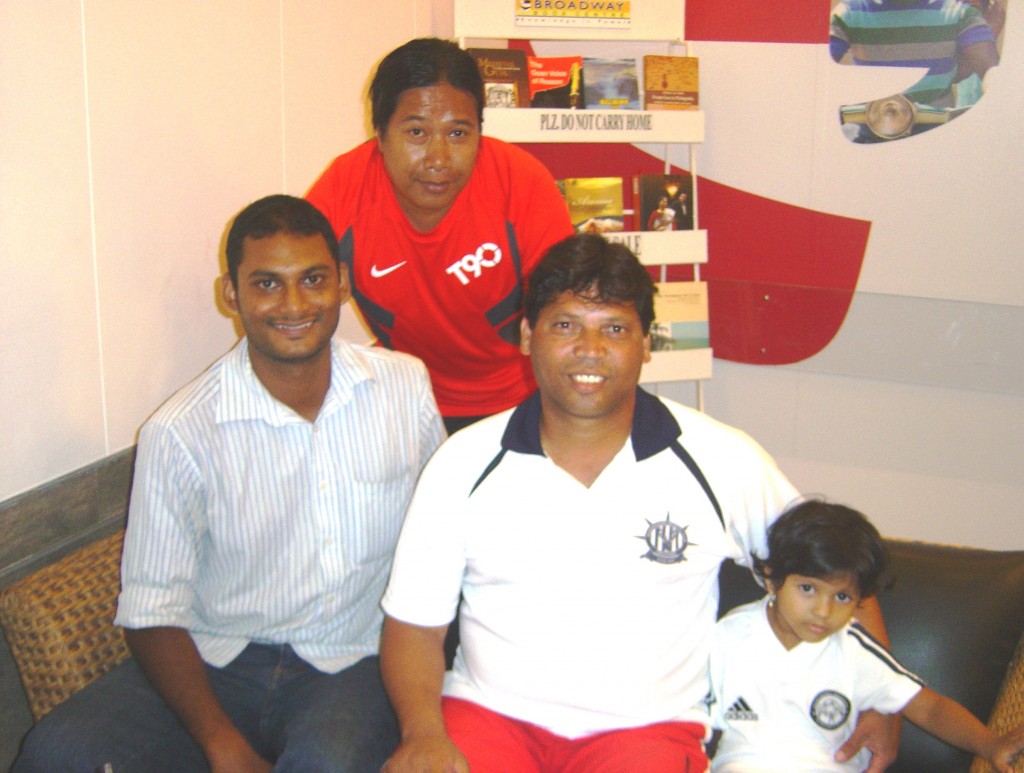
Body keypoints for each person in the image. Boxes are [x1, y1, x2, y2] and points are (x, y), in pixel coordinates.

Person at [376, 233, 899, 773]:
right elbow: (415, 626)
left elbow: (836, 565)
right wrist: (422, 735)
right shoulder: (462, 463)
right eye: (565, 325)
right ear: (528, 336)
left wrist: (882, 699)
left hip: (648, 730)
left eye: (615, 329)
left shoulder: (721, 458)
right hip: (490, 718)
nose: (590, 349)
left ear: (647, 343)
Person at [13, 195, 445, 773]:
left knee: (326, 764)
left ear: (343, 283)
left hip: (354, 658)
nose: (294, 304)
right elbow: (151, 609)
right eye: (267, 284)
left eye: (313, 279)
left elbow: (443, 542)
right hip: (219, 658)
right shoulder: (180, 432)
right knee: (57, 752)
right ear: (231, 295)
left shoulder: (403, 388)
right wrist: (222, 744)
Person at [306, 37, 573, 434]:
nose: (438, 159)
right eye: (416, 132)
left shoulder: (521, 182)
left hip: (523, 398)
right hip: (407, 397)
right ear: (379, 134)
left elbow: (571, 314)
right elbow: (290, 295)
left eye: (458, 134)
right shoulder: (345, 189)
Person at [708, 499, 1024, 772]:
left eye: (842, 596)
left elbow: (929, 708)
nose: (824, 611)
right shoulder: (728, 635)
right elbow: (689, 710)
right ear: (771, 580)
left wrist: (989, 744)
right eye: (808, 589)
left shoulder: (853, 647)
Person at [829, 0, 999, 119]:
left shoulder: (958, 13)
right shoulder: (849, 13)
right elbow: (818, 70)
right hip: (869, 134)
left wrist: (995, 86)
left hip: (937, 134)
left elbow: (990, 69)